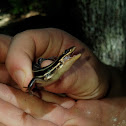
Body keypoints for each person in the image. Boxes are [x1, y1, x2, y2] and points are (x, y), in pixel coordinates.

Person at [0, 28, 125, 126]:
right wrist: (110, 85)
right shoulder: (50, 71)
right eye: (66, 54)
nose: (70, 54)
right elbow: (35, 78)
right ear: (62, 60)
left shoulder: (57, 70)